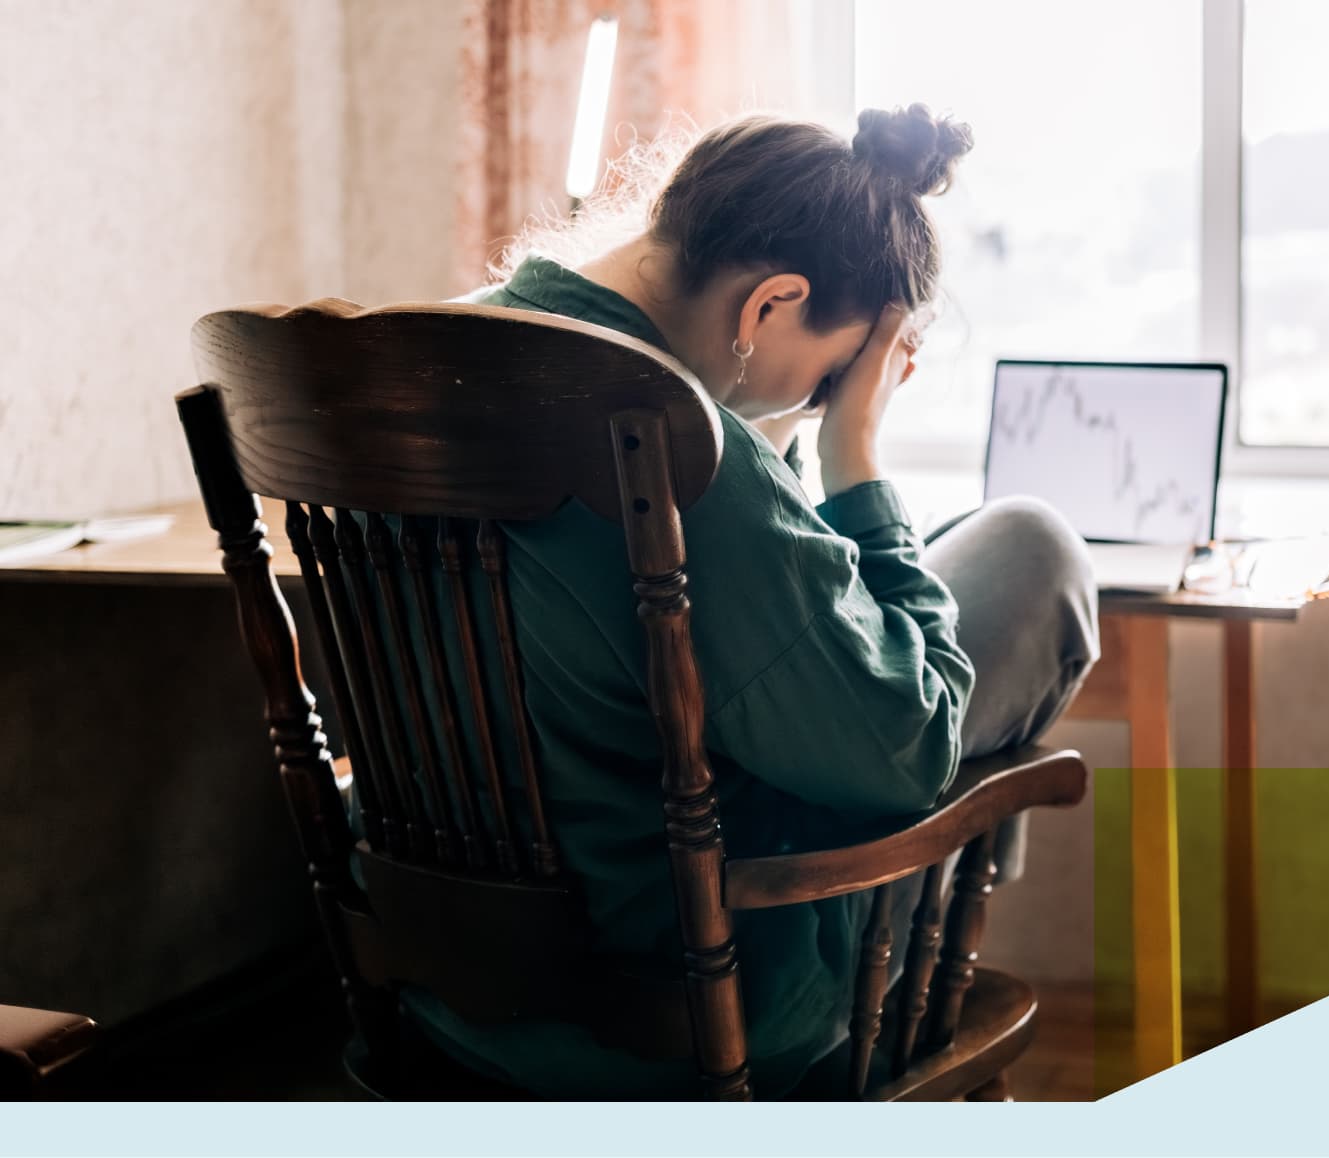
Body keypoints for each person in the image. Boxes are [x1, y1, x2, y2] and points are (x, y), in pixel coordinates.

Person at [405, 104, 1099, 1098]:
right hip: (682, 997)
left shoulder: (429, 357)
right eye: (826, 380)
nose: (813, 405)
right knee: (1033, 549)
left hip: (441, 990)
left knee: (938, 587)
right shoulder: (683, 452)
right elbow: (906, 750)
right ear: (771, 303)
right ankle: (927, 913)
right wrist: (853, 455)